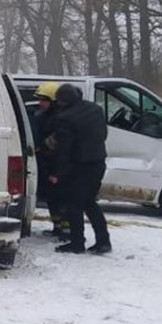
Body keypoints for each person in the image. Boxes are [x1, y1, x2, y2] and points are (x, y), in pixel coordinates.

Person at [50, 83, 111, 255]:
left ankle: (77, 243)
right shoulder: (96, 110)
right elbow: (104, 134)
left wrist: (57, 173)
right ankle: (103, 241)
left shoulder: (65, 118)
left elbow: (64, 149)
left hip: (78, 166)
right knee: (90, 203)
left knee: (73, 205)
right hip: (98, 163)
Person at [30, 81, 68, 239]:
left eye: (44, 100)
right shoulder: (42, 115)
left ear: (53, 101)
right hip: (47, 163)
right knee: (52, 198)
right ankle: (57, 226)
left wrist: (44, 146)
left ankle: (67, 230)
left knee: (62, 199)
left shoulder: (61, 118)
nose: (40, 103)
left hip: (58, 165)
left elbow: (60, 142)